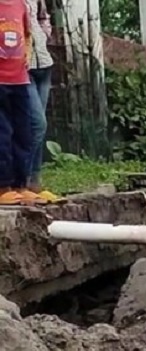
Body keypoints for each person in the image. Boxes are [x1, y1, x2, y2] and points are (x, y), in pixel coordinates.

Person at [0, 0, 37, 205]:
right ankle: (3, 186)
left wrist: (27, 57)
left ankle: (20, 185)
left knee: (23, 133)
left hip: (19, 79)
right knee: (2, 134)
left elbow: (28, 34)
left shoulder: (22, 5)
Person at [24, 0, 54, 201]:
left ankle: (34, 182)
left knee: (38, 125)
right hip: (22, 69)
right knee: (37, 124)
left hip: (45, 64)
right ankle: (21, 180)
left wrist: (44, 32)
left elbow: (43, 16)